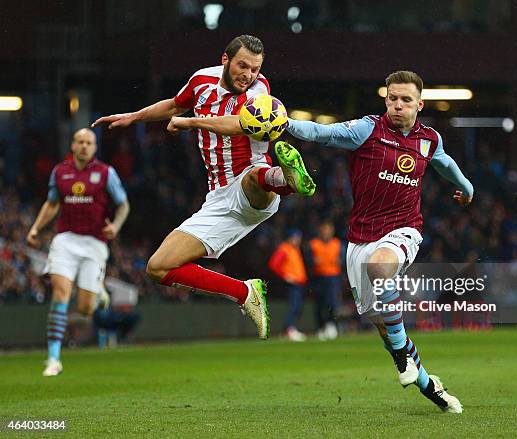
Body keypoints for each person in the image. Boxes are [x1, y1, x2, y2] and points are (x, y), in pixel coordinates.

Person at [177, 70, 472, 413]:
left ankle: (406, 357)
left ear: (419, 104)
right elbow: (320, 132)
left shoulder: (429, 139)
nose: (398, 105)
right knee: (381, 324)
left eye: (406, 100)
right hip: (360, 239)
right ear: (385, 99)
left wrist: (466, 188)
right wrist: (282, 121)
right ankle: (426, 382)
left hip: (403, 229)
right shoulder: (368, 130)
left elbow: (446, 163)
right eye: (392, 98)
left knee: (381, 267)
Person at [92, 35, 315, 341]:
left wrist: (191, 123)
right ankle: (244, 292)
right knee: (159, 267)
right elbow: (174, 105)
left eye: (254, 68)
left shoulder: (258, 90)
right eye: (243, 66)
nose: (248, 74)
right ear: (225, 60)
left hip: (252, 181)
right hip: (219, 199)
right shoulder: (201, 80)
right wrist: (134, 116)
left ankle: (286, 179)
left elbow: (241, 123)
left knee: (253, 177)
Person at [26, 128, 130, 376]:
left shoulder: (106, 173)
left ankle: (98, 294)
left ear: (94, 148)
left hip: (94, 244)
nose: (84, 146)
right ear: (73, 145)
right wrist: (35, 228)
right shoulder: (60, 172)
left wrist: (115, 226)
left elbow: (123, 205)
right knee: (61, 293)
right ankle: (53, 359)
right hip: (65, 240)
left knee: (85, 309)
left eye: (89, 142)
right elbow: (52, 204)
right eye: (80, 142)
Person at [268, 229, 308, 341]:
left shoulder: (293, 249)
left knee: (297, 307)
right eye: (295, 238)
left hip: (298, 283)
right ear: (289, 238)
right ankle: (289, 329)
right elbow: (274, 264)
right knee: (294, 306)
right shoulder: (285, 248)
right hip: (293, 283)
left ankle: (289, 329)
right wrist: (285, 276)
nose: (297, 240)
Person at [308, 221, 343, 340]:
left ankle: (331, 325)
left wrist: (340, 262)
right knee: (319, 304)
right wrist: (313, 261)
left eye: (328, 230)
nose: (326, 233)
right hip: (318, 278)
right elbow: (307, 261)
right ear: (320, 231)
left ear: (332, 231)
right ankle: (321, 327)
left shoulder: (337, 243)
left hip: (333, 277)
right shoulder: (314, 244)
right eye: (324, 230)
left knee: (332, 303)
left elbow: (343, 260)